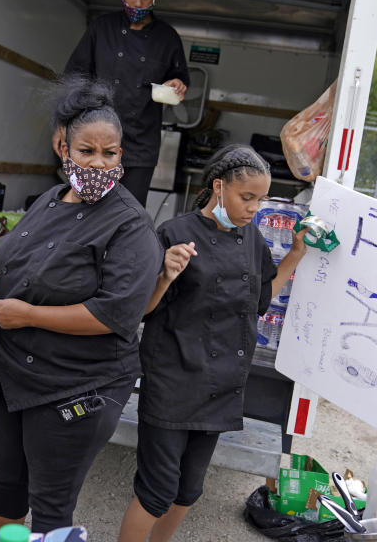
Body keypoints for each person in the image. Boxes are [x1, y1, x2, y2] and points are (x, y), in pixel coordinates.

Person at [0, 77, 163, 534]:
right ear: (64, 149)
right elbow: (15, 263)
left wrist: (27, 315)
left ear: (121, 155)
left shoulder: (131, 226)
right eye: (86, 151)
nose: (98, 163)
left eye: (109, 153)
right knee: (8, 486)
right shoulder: (49, 201)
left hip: (77, 386)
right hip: (15, 373)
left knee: (51, 505)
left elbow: (116, 313)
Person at [116, 144, 310, 542]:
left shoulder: (251, 238)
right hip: (173, 381)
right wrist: (166, 275)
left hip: (220, 387)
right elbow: (142, 310)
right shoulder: (174, 233)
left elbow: (260, 301)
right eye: (246, 197)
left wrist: (295, 254)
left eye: (260, 199)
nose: (254, 208)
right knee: (156, 492)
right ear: (218, 188)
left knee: (188, 492)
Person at [60, 0, 190, 206]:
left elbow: (179, 81)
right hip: (94, 138)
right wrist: (62, 127)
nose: (138, 3)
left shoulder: (167, 38)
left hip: (140, 144)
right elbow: (73, 79)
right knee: (85, 205)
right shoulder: (101, 28)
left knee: (128, 210)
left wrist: (177, 84)